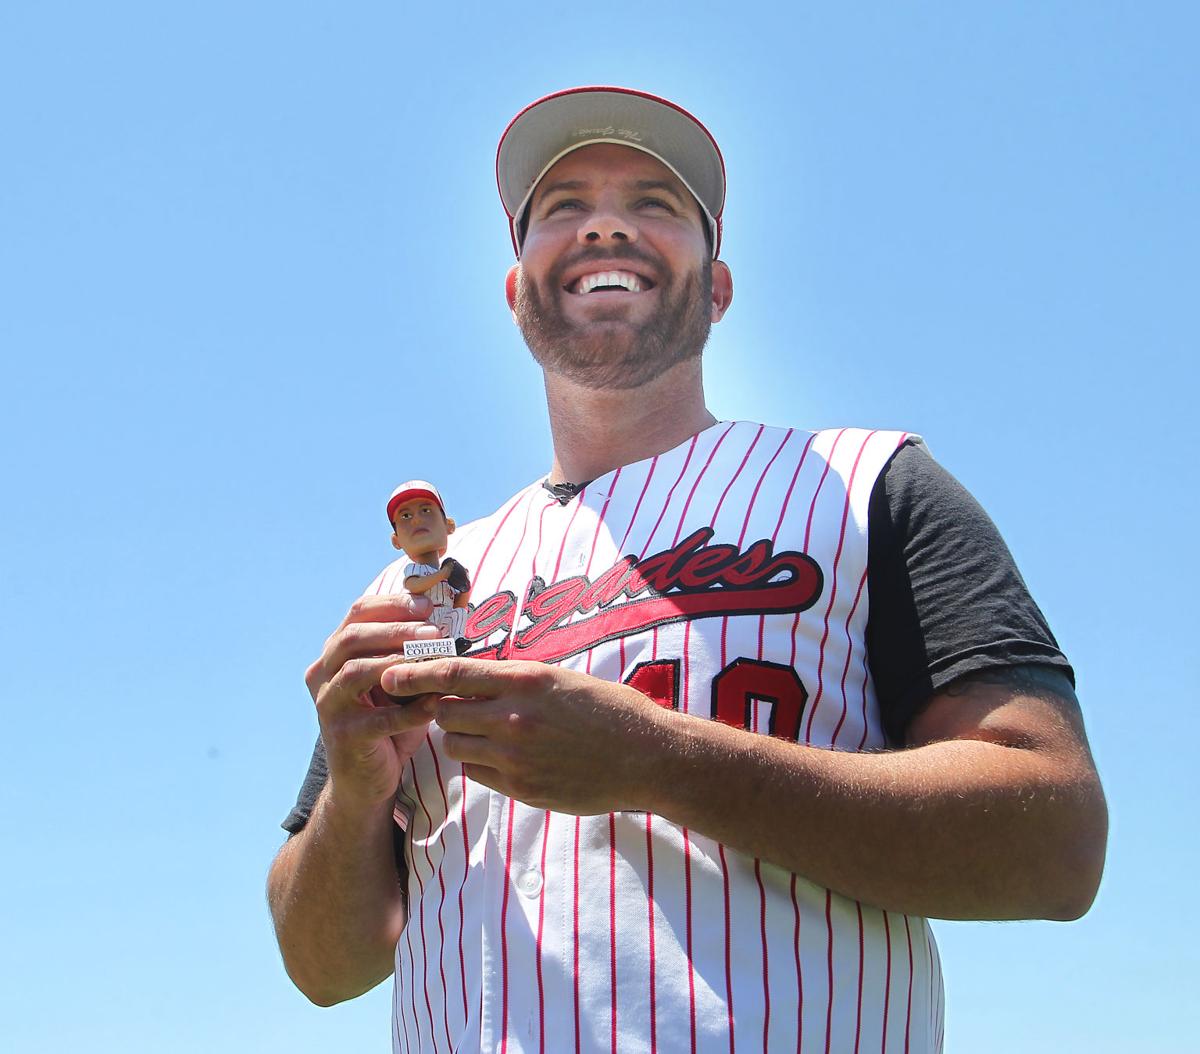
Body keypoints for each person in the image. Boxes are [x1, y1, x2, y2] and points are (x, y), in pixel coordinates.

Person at [268, 87, 1107, 1054]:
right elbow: (322, 966)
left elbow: (1056, 845)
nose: (607, 223)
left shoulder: (865, 486)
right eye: (563, 205)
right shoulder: (413, 594)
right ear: (516, 292)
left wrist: (659, 761)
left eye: (657, 203)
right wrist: (354, 794)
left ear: (716, 289)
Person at [386, 479, 472, 647]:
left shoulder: (449, 570)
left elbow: (460, 603)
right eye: (405, 516)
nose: (416, 520)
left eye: (425, 510)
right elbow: (414, 586)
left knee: (459, 614)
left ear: (449, 526)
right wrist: (443, 574)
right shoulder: (415, 569)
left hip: (444, 616)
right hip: (423, 622)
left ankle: (456, 641)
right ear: (396, 541)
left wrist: (464, 587)